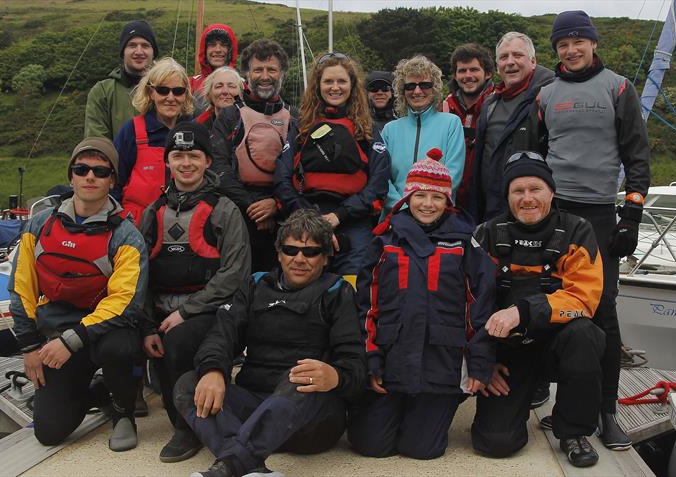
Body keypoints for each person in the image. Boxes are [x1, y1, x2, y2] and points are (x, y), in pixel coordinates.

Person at [174, 209, 366, 477]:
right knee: (188, 384)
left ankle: (229, 466)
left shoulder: (338, 291)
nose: (299, 259)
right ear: (278, 254)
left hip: (309, 421)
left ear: (325, 258)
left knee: (300, 376)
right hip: (253, 406)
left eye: (310, 252)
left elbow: (356, 366)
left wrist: (334, 376)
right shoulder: (254, 285)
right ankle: (251, 467)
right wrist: (213, 370)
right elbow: (221, 334)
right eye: (291, 250)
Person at [536, 10, 651, 451]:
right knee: (558, 304)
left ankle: (607, 411)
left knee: (603, 313)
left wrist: (632, 216)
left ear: (592, 44)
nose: (571, 50)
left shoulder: (619, 87)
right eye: (563, 44)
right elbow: (536, 154)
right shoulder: (546, 94)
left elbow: (637, 157)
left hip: (600, 214)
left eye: (578, 42)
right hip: (556, 213)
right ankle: (568, 406)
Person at [348, 149, 495, 460]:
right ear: (407, 197)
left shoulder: (465, 242)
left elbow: (480, 307)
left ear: (448, 202)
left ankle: (435, 408)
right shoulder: (384, 241)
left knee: (421, 449)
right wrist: (371, 358)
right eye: (420, 195)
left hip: (441, 363)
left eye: (437, 197)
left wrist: (480, 362)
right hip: (392, 359)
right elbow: (366, 305)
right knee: (370, 445)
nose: (428, 204)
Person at [9, 137, 148, 452]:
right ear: (71, 175)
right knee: (49, 432)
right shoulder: (39, 224)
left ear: (112, 180)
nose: (90, 177)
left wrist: (71, 340)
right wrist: (30, 346)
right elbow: (21, 289)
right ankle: (98, 392)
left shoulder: (127, 235)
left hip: (104, 332)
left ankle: (124, 412)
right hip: (55, 333)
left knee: (122, 348)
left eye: (100, 172)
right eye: (82, 169)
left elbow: (126, 303)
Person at [470, 151, 606, 467]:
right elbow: (467, 304)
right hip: (507, 352)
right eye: (518, 191)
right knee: (495, 443)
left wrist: (524, 310)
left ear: (551, 192)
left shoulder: (578, 230)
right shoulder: (485, 234)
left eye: (536, 189)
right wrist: (482, 362)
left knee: (587, 335)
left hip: (558, 345)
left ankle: (572, 429)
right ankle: (518, 400)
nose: (527, 198)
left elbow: (584, 299)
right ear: (507, 196)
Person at [137, 122, 250, 463]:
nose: (186, 163)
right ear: (167, 161)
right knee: (136, 342)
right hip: (159, 309)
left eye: (194, 156)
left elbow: (236, 272)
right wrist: (144, 327)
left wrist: (186, 312)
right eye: (178, 156)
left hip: (207, 311)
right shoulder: (151, 212)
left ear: (206, 161)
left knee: (179, 342)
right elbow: (137, 276)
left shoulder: (225, 210)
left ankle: (188, 428)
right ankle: (168, 413)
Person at [274, 52, 390, 276]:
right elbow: (282, 178)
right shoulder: (301, 128)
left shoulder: (366, 129)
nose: (335, 87)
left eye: (341, 81)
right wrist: (310, 218)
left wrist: (340, 215)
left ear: (352, 86)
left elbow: (378, 181)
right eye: (328, 81)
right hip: (305, 219)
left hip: (352, 222)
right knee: (305, 292)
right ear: (317, 85)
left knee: (352, 292)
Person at [210, 39, 296, 272]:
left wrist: (276, 205)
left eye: (272, 69)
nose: (265, 76)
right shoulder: (229, 117)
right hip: (240, 210)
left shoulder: (295, 117)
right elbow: (219, 170)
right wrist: (255, 206)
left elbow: (302, 171)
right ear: (246, 74)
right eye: (258, 69)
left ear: (282, 74)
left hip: (284, 210)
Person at [466, 32, 554, 223]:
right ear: (497, 67)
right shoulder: (490, 103)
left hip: (531, 211)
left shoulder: (548, 98)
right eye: (504, 57)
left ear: (533, 61)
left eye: (517, 55)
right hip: (490, 209)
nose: (510, 62)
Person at [113, 57, 195, 223]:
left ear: (185, 94)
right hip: (137, 225)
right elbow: (114, 182)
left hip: (185, 224)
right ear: (151, 93)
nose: (170, 97)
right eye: (163, 90)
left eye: (178, 91)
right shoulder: (131, 131)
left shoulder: (194, 131)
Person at [382, 55, 464, 216]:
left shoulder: (451, 124)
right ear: (402, 91)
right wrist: (403, 209)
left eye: (424, 85)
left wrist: (426, 209)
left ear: (434, 89)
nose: (417, 91)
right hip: (396, 218)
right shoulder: (389, 130)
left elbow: (453, 174)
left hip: (438, 217)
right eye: (410, 86)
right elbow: (382, 178)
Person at [85, 20, 159, 139]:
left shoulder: (169, 90)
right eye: (132, 45)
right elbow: (97, 140)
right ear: (123, 52)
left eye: (145, 45)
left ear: (153, 52)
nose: (139, 51)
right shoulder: (102, 91)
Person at [442, 43, 495, 208]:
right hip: (449, 200)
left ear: (487, 73)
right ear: (455, 75)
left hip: (487, 198)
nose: (468, 75)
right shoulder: (443, 107)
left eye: (474, 69)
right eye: (462, 70)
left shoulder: (500, 106)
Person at [190, 24, 238, 98]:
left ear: (231, 50)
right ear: (204, 50)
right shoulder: (191, 84)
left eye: (223, 45)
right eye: (212, 45)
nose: (218, 50)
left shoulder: (241, 84)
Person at [196, 66, 243, 130]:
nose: (225, 91)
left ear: (241, 94)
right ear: (209, 94)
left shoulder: (252, 123)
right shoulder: (197, 127)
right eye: (219, 86)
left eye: (231, 86)